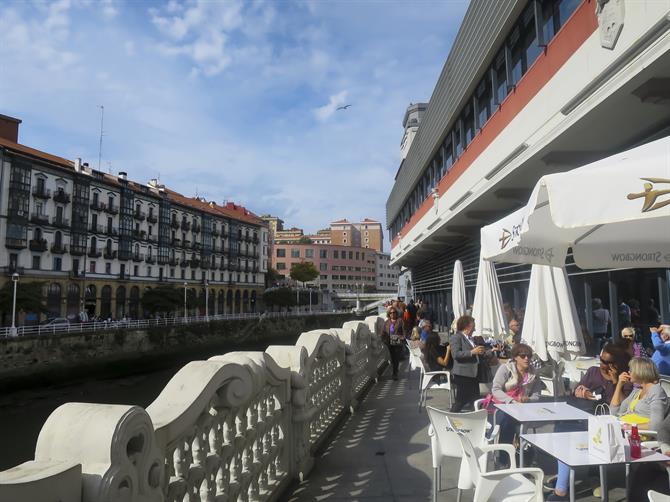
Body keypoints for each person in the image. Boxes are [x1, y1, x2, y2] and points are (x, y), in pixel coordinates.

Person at [547, 343, 632, 501]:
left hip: (607, 424)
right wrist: (581, 391)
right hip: (584, 415)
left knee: (567, 436)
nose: (601, 364)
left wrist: (615, 382)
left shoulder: (624, 380)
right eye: (601, 359)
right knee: (561, 430)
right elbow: (577, 389)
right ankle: (571, 481)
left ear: (616, 363)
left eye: (606, 362)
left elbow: (619, 407)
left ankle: (561, 490)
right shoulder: (593, 371)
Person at [490, 343, 544, 446]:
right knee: (509, 420)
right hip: (502, 404)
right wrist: (511, 400)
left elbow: (536, 396)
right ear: (515, 357)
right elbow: (495, 389)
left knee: (523, 420)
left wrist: (527, 399)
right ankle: (504, 457)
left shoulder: (534, 373)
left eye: (529, 356)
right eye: (523, 356)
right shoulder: (506, 368)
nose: (527, 358)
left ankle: (521, 449)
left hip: (523, 407)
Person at [611, 356, 668, 432]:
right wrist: (619, 385)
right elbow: (614, 412)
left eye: (631, 370)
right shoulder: (637, 392)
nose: (629, 372)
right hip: (624, 429)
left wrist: (630, 427)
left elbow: (656, 425)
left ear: (640, 371)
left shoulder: (656, 391)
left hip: (637, 435)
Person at [450, 315, 484, 412]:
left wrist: (486, 351)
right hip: (463, 374)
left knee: (475, 400)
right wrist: (472, 352)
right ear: (467, 326)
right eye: (473, 326)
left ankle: (477, 421)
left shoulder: (470, 338)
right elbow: (456, 354)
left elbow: (475, 352)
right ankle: (449, 419)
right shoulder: (456, 337)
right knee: (461, 401)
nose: (475, 329)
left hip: (473, 374)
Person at [381, 308, 405, 380]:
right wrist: (383, 339)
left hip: (397, 340)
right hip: (389, 341)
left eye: (394, 312)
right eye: (391, 313)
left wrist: (403, 337)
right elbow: (383, 332)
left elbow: (404, 330)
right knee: (392, 358)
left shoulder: (400, 321)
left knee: (396, 357)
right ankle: (395, 369)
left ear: (396, 313)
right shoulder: (387, 322)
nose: (392, 314)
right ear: (389, 314)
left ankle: (395, 373)